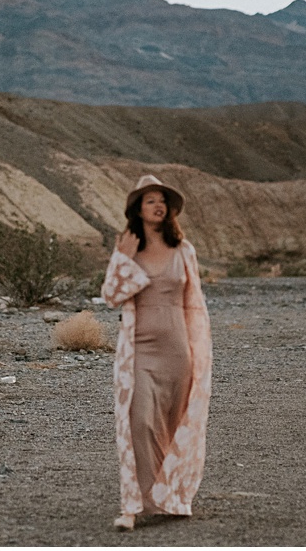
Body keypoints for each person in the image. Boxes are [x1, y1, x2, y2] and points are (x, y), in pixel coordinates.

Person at [101, 174, 213, 531]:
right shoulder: (127, 249)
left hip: (179, 351)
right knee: (139, 422)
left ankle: (170, 498)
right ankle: (134, 505)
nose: (157, 205)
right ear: (138, 209)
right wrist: (123, 260)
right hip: (139, 352)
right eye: (150, 200)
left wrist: (199, 352)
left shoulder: (184, 251)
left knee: (172, 426)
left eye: (161, 200)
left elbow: (195, 307)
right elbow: (111, 295)